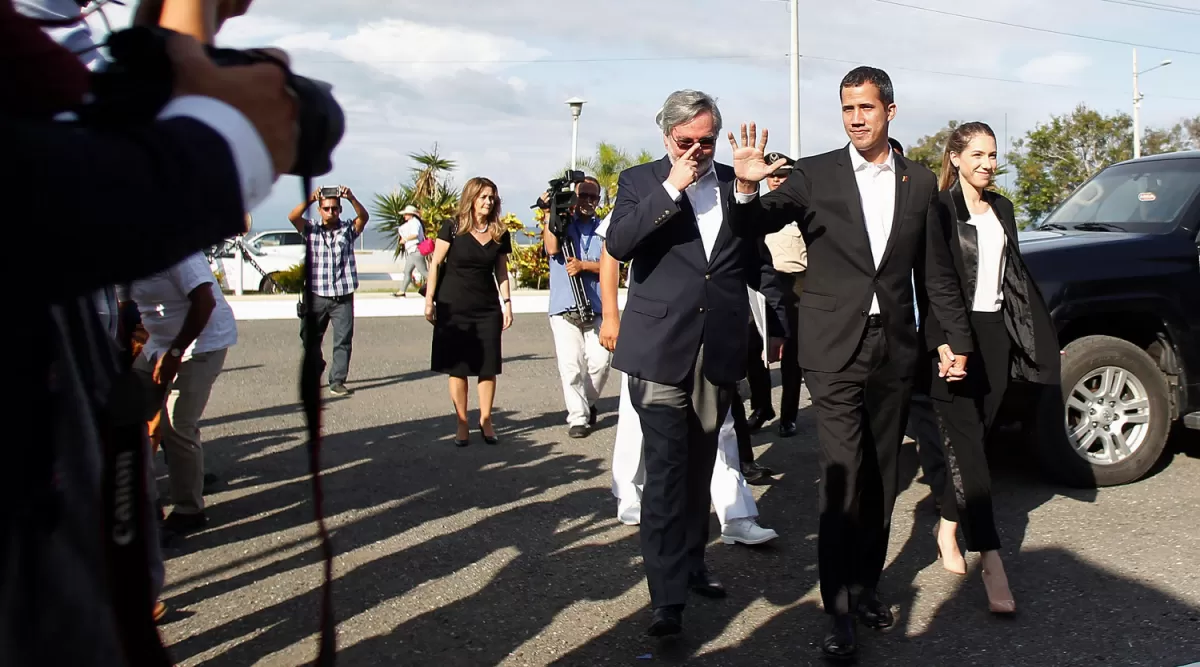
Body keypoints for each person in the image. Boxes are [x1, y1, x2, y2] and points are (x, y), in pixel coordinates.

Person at [7, 0, 297, 663]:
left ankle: (182, 511)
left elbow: (90, 108)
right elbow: (65, 181)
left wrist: (179, 44)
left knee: (169, 428)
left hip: (172, 347)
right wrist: (229, 140)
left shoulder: (45, 44)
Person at [727, 66, 973, 659]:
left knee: (882, 477)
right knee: (842, 475)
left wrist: (955, 339)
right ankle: (836, 608)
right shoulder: (813, 174)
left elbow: (935, 273)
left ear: (890, 109)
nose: (855, 118)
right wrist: (745, 187)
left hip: (894, 348)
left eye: (865, 107)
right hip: (833, 349)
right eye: (846, 108)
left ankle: (866, 585)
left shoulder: (919, 184)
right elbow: (752, 225)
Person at [604, 90, 784, 638]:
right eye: (687, 143)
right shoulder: (640, 182)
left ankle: (691, 562)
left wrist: (776, 325)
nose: (698, 151)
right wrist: (672, 188)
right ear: (666, 137)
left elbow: (759, 257)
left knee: (700, 467)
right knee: (665, 473)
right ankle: (666, 597)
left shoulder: (736, 181)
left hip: (719, 348)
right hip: (659, 349)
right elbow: (619, 243)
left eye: (707, 141)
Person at [921, 121, 1060, 614]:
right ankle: (994, 561)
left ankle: (947, 525)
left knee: (976, 442)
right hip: (954, 342)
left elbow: (1013, 279)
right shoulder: (938, 209)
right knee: (972, 454)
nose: (986, 163)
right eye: (976, 153)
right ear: (955, 157)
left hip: (995, 339)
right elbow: (935, 284)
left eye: (993, 154)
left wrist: (1035, 340)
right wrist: (943, 343)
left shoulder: (1002, 208)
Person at [598, 212, 777, 545]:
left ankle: (735, 514)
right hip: (652, 336)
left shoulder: (725, 190)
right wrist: (610, 316)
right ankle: (629, 494)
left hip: (712, 334)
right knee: (638, 427)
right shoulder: (646, 188)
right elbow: (611, 250)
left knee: (720, 429)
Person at [130, 252, 237, 542]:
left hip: (202, 343)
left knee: (176, 424)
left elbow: (206, 301)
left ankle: (189, 511)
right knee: (126, 417)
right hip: (158, 342)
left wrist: (175, 353)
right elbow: (120, 304)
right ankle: (144, 504)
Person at [425, 177, 514, 447]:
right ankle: (462, 422)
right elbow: (436, 264)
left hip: (487, 307)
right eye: (483, 197)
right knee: (458, 366)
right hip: (454, 306)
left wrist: (507, 303)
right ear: (472, 198)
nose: (488, 202)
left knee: (488, 366)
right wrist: (429, 300)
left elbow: (501, 271)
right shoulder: (452, 227)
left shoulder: (500, 232)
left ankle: (486, 419)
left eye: (492, 197)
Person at [891, 137, 949, 514]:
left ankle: (947, 505)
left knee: (929, 422)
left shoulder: (924, 204)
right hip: (881, 337)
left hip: (920, 336)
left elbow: (939, 277)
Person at [744, 152, 807, 438]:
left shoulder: (803, 211)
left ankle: (788, 416)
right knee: (755, 352)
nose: (776, 181)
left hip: (797, 287)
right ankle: (761, 407)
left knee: (792, 356)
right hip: (762, 288)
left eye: (782, 176)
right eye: (772, 176)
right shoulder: (756, 213)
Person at [543, 176, 612, 438]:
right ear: (575, 197)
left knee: (601, 363)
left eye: (593, 197)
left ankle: (587, 403)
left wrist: (585, 266)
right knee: (570, 367)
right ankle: (578, 418)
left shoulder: (604, 228)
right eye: (583, 196)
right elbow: (551, 248)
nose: (588, 202)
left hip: (595, 306)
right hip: (564, 308)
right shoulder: (562, 224)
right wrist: (553, 211)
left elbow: (613, 263)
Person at [287, 184, 369, 397]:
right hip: (316, 295)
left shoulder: (348, 230)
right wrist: (312, 198)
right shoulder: (311, 230)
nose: (331, 212)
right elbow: (293, 217)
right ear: (320, 210)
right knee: (309, 338)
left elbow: (364, 217)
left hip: (342, 295)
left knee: (343, 339)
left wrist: (351, 197)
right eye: (326, 208)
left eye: (334, 208)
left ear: (340, 210)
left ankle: (337, 380)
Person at [393, 205, 428, 297]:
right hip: (412, 251)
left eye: (406, 214)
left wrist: (405, 239)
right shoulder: (413, 222)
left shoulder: (414, 223)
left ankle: (436, 287)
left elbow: (415, 234)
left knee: (424, 272)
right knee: (407, 271)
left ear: (411, 214)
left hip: (415, 250)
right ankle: (402, 291)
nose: (404, 216)